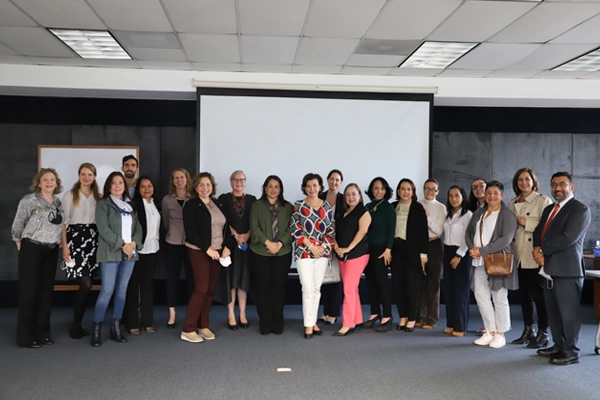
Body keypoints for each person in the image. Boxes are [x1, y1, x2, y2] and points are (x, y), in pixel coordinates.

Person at [533, 172, 591, 365]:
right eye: (553, 185)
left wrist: (541, 250)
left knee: (569, 313)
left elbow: (568, 237)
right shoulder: (550, 208)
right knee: (554, 312)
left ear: (571, 187)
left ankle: (571, 351)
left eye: (562, 184)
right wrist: (536, 248)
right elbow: (538, 231)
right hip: (548, 269)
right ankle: (558, 345)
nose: (557, 188)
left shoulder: (580, 209)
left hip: (567, 269)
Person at [12, 168, 65, 348]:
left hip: (51, 251)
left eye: (52, 179)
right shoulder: (29, 200)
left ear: (56, 183)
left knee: (45, 294)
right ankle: (26, 337)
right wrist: (20, 243)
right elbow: (18, 224)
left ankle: (43, 333)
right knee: (29, 293)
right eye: (45, 179)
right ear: (39, 182)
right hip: (32, 249)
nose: (49, 182)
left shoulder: (58, 203)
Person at [91, 171, 143, 347]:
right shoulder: (103, 204)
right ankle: (96, 328)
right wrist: (123, 244)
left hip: (129, 254)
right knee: (107, 291)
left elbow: (138, 228)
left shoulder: (131, 205)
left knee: (122, 291)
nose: (118, 185)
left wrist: (133, 243)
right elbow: (103, 229)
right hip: (110, 252)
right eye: (114, 183)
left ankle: (115, 328)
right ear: (108, 186)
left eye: (120, 182)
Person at [181, 172, 233, 343]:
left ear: (213, 187)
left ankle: (203, 326)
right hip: (199, 251)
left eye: (208, 184)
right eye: (201, 185)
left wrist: (226, 246)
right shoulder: (191, 205)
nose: (205, 188)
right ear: (196, 187)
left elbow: (225, 228)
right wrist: (207, 249)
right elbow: (190, 232)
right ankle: (188, 329)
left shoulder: (217, 204)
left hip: (217, 252)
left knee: (210, 290)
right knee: (201, 289)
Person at [465, 181, 517, 349]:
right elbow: (469, 233)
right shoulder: (479, 213)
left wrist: (483, 250)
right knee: (481, 296)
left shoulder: (506, 214)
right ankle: (490, 331)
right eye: (488, 193)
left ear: (501, 195)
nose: (491, 196)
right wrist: (472, 249)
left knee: (499, 297)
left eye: (495, 193)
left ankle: (501, 333)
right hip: (479, 261)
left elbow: (506, 239)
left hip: (497, 261)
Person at [508, 168, 552, 348]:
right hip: (518, 254)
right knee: (524, 295)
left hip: (535, 254)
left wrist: (527, 222)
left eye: (527, 179)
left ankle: (543, 332)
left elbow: (548, 225)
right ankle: (528, 329)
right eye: (520, 180)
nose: (524, 183)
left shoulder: (543, 200)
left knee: (539, 295)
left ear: (533, 181)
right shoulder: (513, 202)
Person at [291, 173, 335, 339]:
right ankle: (309, 325)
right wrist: (311, 246)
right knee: (308, 288)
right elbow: (296, 229)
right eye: (308, 186)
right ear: (304, 188)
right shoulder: (298, 206)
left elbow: (331, 231)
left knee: (316, 289)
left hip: (322, 253)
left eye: (315, 185)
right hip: (304, 252)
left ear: (320, 187)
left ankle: (312, 321)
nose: (312, 189)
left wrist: (321, 248)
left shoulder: (326, 207)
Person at [61, 163, 102, 339]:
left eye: (90, 174)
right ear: (79, 175)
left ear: (94, 177)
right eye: (84, 174)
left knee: (88, 284)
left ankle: (78, 323)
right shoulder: (70, 195)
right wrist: (65, 246)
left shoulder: (98, 196)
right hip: (75, 239)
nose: (87, 177)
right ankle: (75, 324)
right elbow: (62, 222)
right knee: (85, 284)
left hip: (93, 240)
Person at [249, 175, 293, 335]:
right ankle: (265, 322)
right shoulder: (256, 206)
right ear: (265, 188)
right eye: (270, 186)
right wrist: (268, 243)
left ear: (280, 189)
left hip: (282, 253)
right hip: (261, 252)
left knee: (279, 289)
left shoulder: (288, 207)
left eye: (276, 186)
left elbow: (291, 229)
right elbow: (254, 228)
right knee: (262, 289)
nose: (273, 189)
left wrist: (279, 244)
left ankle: (277, 321)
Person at [215, 170, 256, 330]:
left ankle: (243, 314)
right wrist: (235, 235)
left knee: (243, 280)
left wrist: (247, 235)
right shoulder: (223, 199)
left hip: (247, 245)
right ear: (231, 181)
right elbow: (221, 221)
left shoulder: (252, 200)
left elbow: (255, 221)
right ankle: (231, 314)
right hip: (229, 245)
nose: (239, 182)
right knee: (231, 281)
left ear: (245, 182)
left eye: (242, 180)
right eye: (235, 179)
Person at [124, 176, 161, 335]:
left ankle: (148, 322)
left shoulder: (156, 203)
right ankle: (132, 322)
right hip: (137, 249)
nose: (147, 189)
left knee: (148, 286)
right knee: (133, 286)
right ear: (138, 190)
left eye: (149, 186)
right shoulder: (134, 205)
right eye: (143, 187)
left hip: (153, 248)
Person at [390, 178, 429, 332]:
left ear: (413, 192)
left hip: (413, 251)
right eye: (402, 189)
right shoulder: (393, 207)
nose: (405, 192)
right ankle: (403, 317)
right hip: (396, 250)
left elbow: (423, 233)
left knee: (412, 286)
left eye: (408, 189)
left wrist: (423, 255)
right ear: (398, 191)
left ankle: (412, 318)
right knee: (398, 285)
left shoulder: (418, 208)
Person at [333, 184, 371, 336]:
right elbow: (334, 232)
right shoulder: (342, 213)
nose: (350, 197)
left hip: (358, 254)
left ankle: (347, 323)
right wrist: (337, 247)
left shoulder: (364, 212)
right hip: (342, 254)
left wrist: (348, 248)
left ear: (360, 196)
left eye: (354, 194)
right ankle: (357, 319)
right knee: (352, 288)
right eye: (348, 194)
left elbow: (362, 232)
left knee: (348, 288)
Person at [362, 177, 395, 333]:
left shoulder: (388, 208)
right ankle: (375, 313)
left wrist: (388, 249)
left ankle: (387, 316)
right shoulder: (367, 206)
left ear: (386, 191)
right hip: (367, 249)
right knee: (371, 282)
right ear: (371, 190)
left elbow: (391, 231)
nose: (379, 191)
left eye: (382, 188)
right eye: (376, 188)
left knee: (382, 283)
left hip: (382, 250)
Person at [162, 168, 194, 329]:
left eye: (182, 177)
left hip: (191, 244)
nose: (179, 180)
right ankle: (172, 314)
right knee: (172, 279)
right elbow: (165, 222)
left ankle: (191, 312)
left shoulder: (194, 198)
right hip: (172, 243)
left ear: (187, 179)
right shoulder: (167, 200)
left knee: (192, 279)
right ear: (172, 181)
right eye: (176, 178)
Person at [442, 185, 472, 337]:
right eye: (451, 196)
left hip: (461, 253)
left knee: (460, 291)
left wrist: (459, 255)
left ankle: (460, 326)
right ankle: (451, 323)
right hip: (447, 252)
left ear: (463, 197)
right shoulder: (449, 214)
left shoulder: (468, 215)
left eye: (457, 195)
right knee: (449, 289)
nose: (453, 199)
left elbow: (468, 238)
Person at [417, 178, 446, 329]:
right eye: (427, 188)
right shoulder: (417, 204)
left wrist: (426, 216)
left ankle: (432, 318)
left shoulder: (441, 207)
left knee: (433, 283)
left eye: (433, 189)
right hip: (419, 245)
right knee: (420, 282)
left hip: (434, 245)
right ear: (423, 189)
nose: (429, 191)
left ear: (437, 191)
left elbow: (439, 230)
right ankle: (420, 316)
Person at [319, 169, 344, 325]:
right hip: (321, 242)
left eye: (337, 180)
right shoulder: (320, 197)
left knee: (336, 278)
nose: (334, 182)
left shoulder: (344, 199)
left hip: (338, 243)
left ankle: (333, 313)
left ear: (340, 182)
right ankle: (325, 312)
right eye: (332, 179)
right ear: (327, 180)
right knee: (323, 277)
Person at [468, 177, 488, 335]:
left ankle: (493, 327)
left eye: (481, 186)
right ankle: (487, 323)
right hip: (474, 255)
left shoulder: (495, 207)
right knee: (479, 290)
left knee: (493, 292)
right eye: (475, 187)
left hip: (491, 255)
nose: (478, 189)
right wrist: (472, 249)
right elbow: (469, 233)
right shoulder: (472, 208)